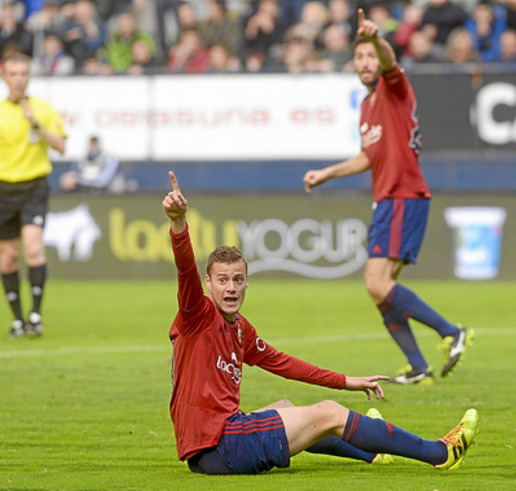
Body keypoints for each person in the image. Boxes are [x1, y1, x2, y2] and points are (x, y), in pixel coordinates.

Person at [162, 171, 479, 475]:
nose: (231, 288)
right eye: (222, 280)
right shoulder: (197, 314)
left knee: (286, 406)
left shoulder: (240, 328)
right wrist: (179, 224)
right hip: (220, 445)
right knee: (329, 412)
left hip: (211, 447)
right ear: (208, 283)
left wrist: (345, 381)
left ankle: (372, 451)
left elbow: (285, 364)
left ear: (247, 282)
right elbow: (185, 270)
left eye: (238, 279)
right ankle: (440, 453)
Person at [303, 9, 474, 385]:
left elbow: (391, 62)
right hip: (390, 199)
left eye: (371, 56)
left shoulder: (394, 90)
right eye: (360, 56)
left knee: (376, 284)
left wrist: (376, 39)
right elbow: (368, 156)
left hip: (402, 195)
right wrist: (328, 173)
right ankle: (418, 367)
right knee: (382, 291)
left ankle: (451, 332)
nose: (366, 62)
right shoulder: (367, 106)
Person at [0, 52, 67, 338]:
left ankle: (35, 316)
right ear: (4, 77)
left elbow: (61, 145)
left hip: (34, 186)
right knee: (8, 257)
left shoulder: (43, 109)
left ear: (29, 76)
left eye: (23, 73)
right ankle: (17, 320)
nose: (18, 79)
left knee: (33, 247)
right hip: (3, 187)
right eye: (13, 74)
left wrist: (36, 124)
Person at [59, 135, 127, 194]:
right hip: (84, 186)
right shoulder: (83, 158)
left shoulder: (107, 158)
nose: (93, 146)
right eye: (92, 143)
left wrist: (88, 182)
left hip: (103, 189)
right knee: (67, 180)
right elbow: (73, 172)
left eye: (95, 143)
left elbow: (104, 179)